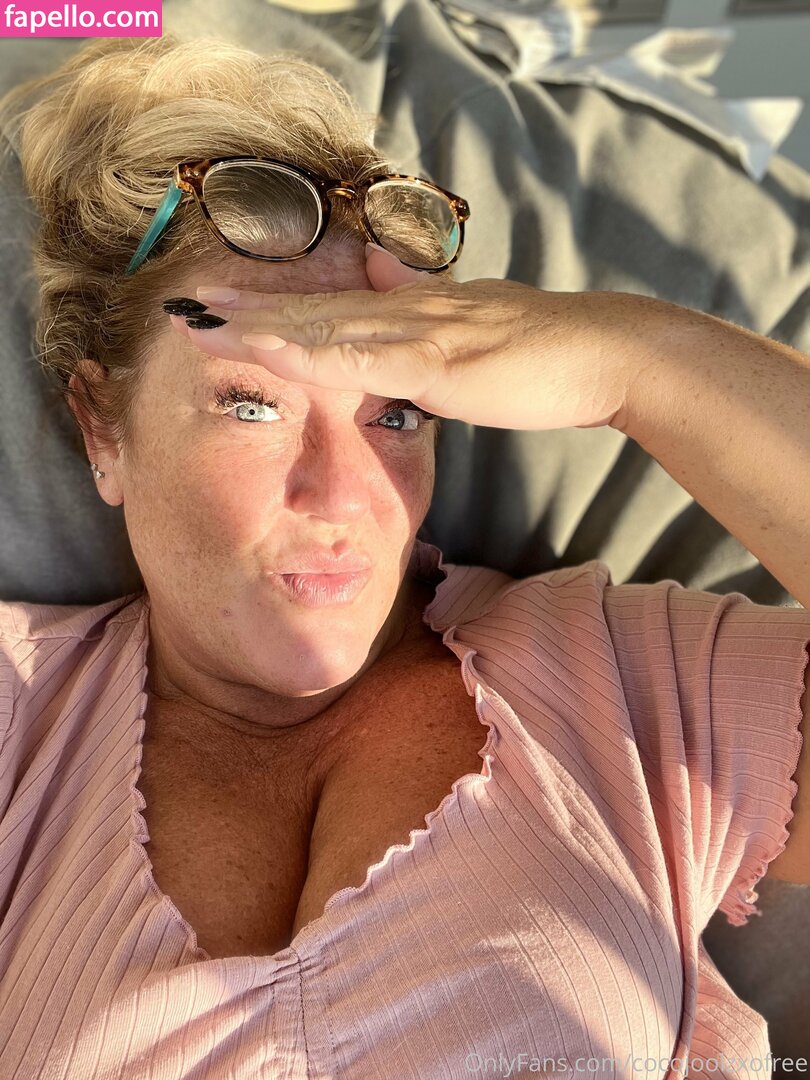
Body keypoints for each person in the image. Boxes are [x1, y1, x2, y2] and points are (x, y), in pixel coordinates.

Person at [0, 32, 807, 1080]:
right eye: (252, 404)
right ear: (102, 428)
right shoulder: (20, 719)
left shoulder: (626, 685)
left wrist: (636, 360)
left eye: (396, 413)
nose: (344, 493)